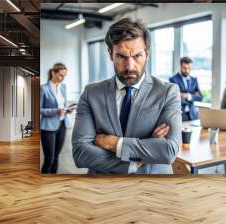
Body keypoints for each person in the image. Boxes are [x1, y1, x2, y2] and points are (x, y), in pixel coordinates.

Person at [72, 18, 182, 174]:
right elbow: (80, 153)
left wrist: (112, 143)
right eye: (121, 57)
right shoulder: (91, 94)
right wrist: (136, 160)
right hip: (103, 190)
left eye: (137, 56)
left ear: (147, 54)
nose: (130, 66)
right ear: (110, 54)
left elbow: (168, 151)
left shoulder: (168, 92)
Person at [40, 63, 73, 173]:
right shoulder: (43, 89)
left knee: (56, 157)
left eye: (64, 76)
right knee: (49, 159)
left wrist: (67, 110)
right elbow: (39, 109)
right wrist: (55, 111)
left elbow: (62, 105)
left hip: (62, 124)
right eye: (60, 75)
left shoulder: (63, 87)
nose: (63, 79)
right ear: (53, 73)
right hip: (48, 127)